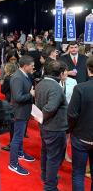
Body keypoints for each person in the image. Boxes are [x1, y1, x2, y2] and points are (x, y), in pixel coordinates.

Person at [35, 60, 68, 190]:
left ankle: (46, 176)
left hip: (44, 126)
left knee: (46, 152)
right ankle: (50, 186)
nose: (67, 74)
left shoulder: (41, 83)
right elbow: (49, 108)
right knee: (54, 157)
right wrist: (42, 116)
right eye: (65, 72)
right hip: (54, 128)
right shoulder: (56, 88)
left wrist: (40, 118)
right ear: (60, 73)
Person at [68, 56, 93, 191]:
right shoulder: (80, 88)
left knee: (78, 173)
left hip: (80, 137)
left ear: (88, 70)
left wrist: (70, 130)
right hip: (81, 136)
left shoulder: (80, 88)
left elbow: (72, 115)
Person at [9, 55, 35, 176]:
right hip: (19, 112)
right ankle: (13, 164)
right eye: (32, 65)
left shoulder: (24, 75)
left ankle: (20, 153)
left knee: (19, 136)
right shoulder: (17, 78)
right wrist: (31, 94)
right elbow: (18, 97)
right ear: (25, 66)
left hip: (24, 111)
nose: (33, 67)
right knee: (17, 138)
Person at [1, 62, 18, 151]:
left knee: (12, 124)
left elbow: (2, 90)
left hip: (10, 102)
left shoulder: (8, 78)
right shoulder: (17, 77)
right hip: (17, 103)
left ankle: (12, 144)